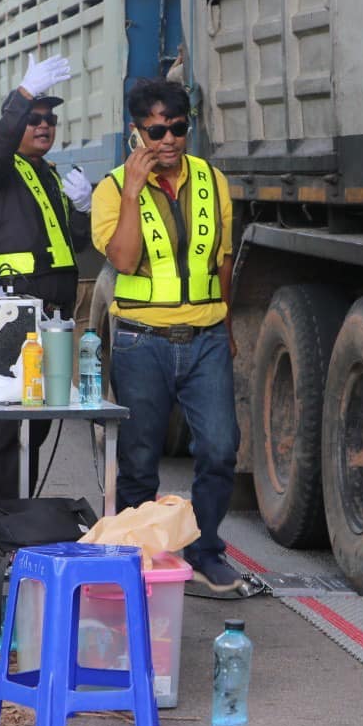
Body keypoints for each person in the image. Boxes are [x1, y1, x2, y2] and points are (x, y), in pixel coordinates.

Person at [89, 78, 243, 594]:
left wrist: (226, 322)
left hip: (205, 340)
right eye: (157, 131)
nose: (169, 140)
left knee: (221, 450)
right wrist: (133, 193)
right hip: (140, 342)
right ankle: (143, 556)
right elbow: (125, 259)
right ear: (136, 132)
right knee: (138, 462)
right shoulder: (110, 191)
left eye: (178, 128)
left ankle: (205, 548)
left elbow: (222, 260)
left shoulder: (213, 181)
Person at [0, 53, 93, 501]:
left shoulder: (49, 174)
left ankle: (23, 515)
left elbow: (69, 245)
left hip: (53, 316)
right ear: (14, 122)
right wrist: (21, 95)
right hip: (10, 313)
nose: (44, 126)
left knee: (39, 419)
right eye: (33, 119)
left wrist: (82, 210)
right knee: (5, 424)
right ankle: (1, 522)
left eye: (50, 119)